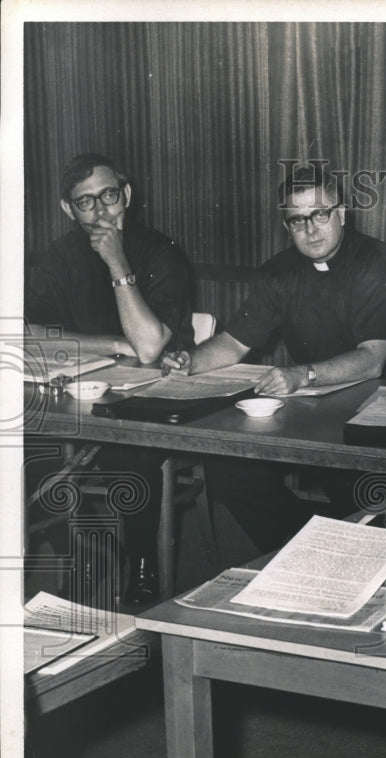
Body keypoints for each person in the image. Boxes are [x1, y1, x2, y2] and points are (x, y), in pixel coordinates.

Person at [162, 165, 386, 553]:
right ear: (287, 226)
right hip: (314, 411)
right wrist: (189, 362)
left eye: (320, 214)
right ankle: (298, 548)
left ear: (341, 214)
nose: (310, 229)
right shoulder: (278, 272)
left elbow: (372, 360)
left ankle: (339, 549)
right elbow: (233, 342)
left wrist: (302, 375)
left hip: (383, 408)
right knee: (229, 467)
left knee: (351, 484)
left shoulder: (375, 260)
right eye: (298, 220)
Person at [26, 152, 194, 607]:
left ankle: (141, 566)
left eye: (109, 196)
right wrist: (113, 343)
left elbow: (149, 348)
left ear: (128, 195)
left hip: (151, 397)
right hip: (79, 394)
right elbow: (32, 333)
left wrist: (118, 264)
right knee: (26, 449)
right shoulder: (60, 256)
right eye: (86, 202)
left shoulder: (161, 252)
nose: (101, 211)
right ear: (68, 209)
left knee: (129, 451)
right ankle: (77, 557)